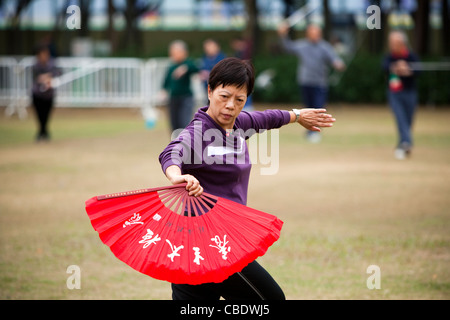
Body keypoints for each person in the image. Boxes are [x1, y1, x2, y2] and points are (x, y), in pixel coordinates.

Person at [159, 57, 336, 300]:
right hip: (208, 242)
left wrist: (297, 115)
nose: (230, 105)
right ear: (209, 91)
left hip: (210, 242)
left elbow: (268, 118)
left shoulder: (238, 125)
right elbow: (172, 152)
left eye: (239, 100)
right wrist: (176, 175)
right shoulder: (198, 132)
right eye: (224, 96)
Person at [278, 22, 345, 143]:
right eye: (312, 33)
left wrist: (338, 64)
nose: (314, 35)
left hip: (320, 83)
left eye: (316, 33)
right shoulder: (302, 45)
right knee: (307, 108)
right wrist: (283, 35)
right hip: (305, 81)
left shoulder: (325, 47)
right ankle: (310, 130)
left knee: (318, 108)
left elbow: (334, 59)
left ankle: (315, 131)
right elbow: (288, 47)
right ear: (308, 34)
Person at [382, 30, 419, 160]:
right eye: (391, 42)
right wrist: (396, 67)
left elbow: (419, 70)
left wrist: (408, 70)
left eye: (395, 42)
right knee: (400, 118)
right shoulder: (390, 56)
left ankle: (402, 144)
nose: (392, 45)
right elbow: (384, 67)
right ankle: (406, 143)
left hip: (410, 92)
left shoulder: (410, 56)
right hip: (395, 93)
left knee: (408, 120)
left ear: (402, 43)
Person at [162, 40, 199, 134]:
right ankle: (175, 145)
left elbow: (195, 69)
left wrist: (185, 67)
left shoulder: (188, 63)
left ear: (184, 52)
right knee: (174, 124)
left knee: (184, 122)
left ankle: (185, 145)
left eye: (176, 52)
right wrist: (163, 90)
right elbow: (166, 81)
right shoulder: (171, 67)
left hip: (186, 98)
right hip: (173, 98)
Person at [31, 44, 59, 142]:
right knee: (39, 114)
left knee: (46, 114)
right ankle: (42, 131)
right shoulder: (35, 66)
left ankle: (43, 132)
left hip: (49, 94)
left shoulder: (52, 65)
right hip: (37, 93)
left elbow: (58, 74)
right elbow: (35, 77)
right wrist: (42, 78)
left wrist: (49, 78)